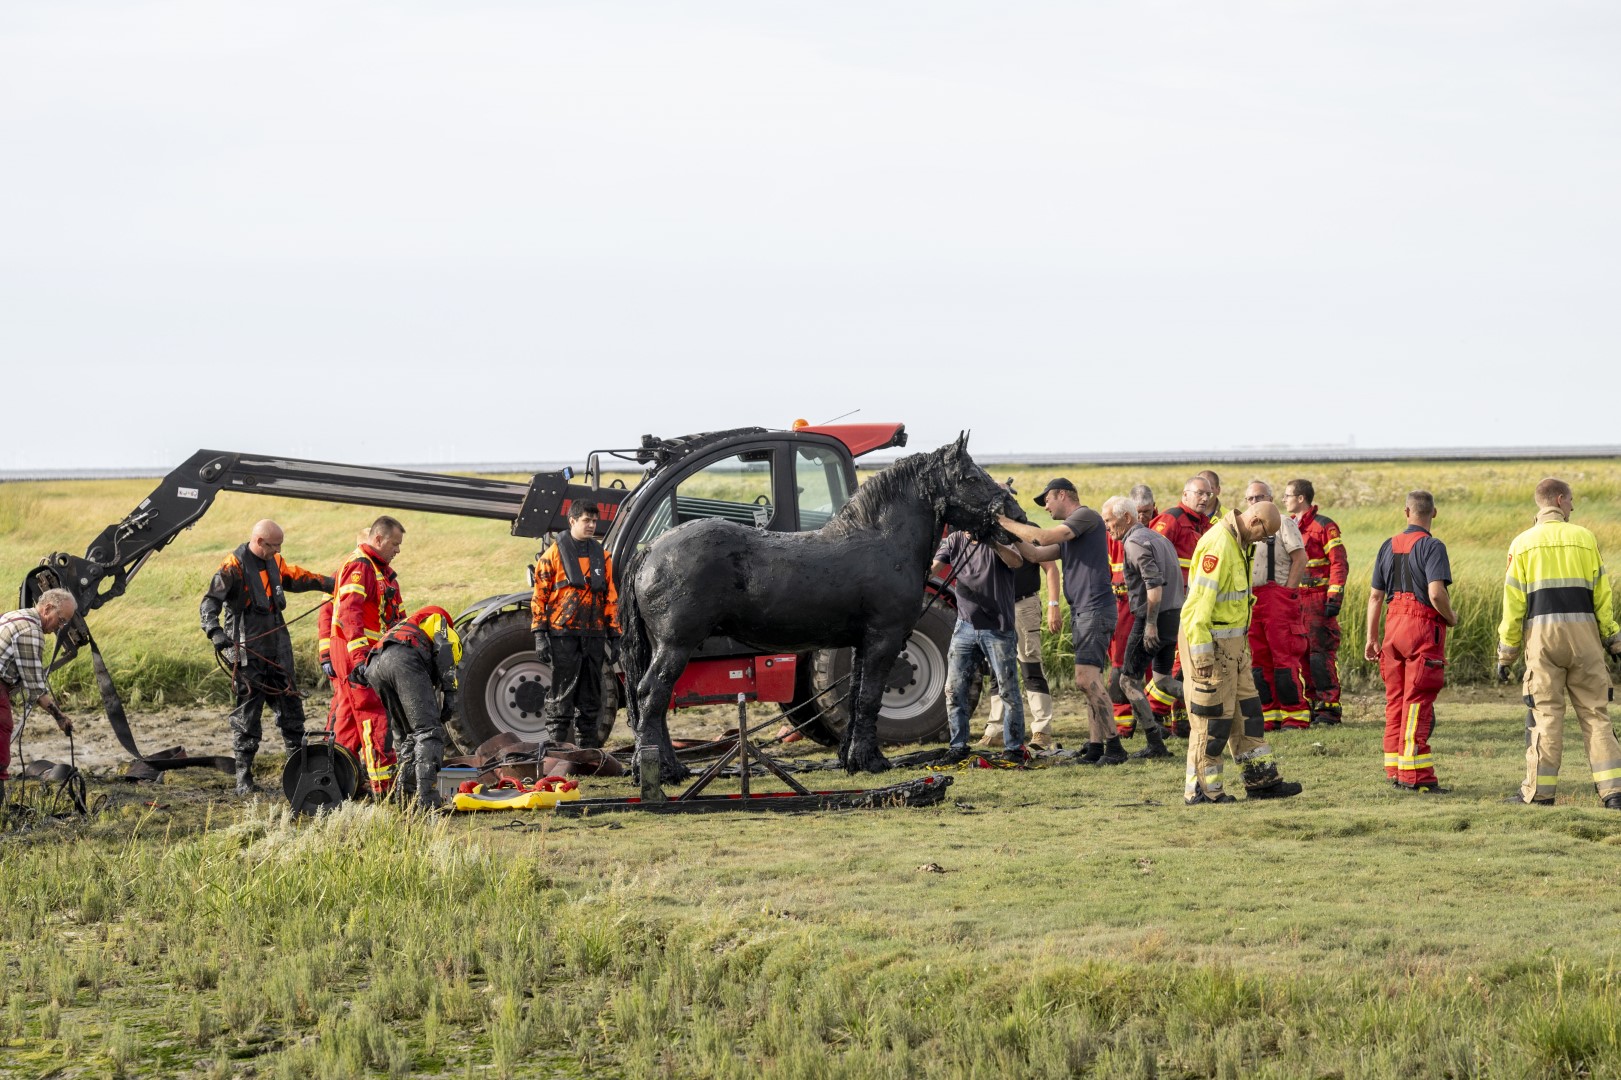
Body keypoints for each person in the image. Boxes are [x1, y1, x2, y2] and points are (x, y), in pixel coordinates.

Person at [1497, 478, 1621, 808]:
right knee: (1596, 716)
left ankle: (1540, 795)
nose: (1573, 507)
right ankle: (1614, 795)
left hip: (1542, 641)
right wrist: (1614, 640)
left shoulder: (1520, 544)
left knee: (1547, 717)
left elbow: (1513, 605)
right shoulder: (1585, 538)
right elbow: (1602, 596)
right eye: (1571, 502)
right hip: (1586, 640)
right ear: (1560, 499)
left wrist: (1506, 654)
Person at [1180, 500, 1304, 804]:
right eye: (1264, 536)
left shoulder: (1239, 543)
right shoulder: (1219, 545)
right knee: (1212, 723)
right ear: (1256, 522)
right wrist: (1203, 656)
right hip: (1211, 647)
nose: (1263, 542)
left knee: (1249, 715)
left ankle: (1262, 782)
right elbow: (1196, 609)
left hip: (1234, 650)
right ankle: (1202, 792)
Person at [200, 520, 334, 795]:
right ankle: (243, 779)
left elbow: (299, 578)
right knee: (247, 714)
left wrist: (333, 583)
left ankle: (298, 772)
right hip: (246, 647)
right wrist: (215, 633)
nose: (279, 550)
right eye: (275, 545)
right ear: (260, 542)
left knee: (292, 708)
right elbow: (209, 602)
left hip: (278, 642)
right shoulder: (232, 566)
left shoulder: (276, 562)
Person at [999, 478, 1124, 765]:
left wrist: (1005, 521)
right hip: (1084, 610)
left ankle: (1115, 747)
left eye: (1048, 499)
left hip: (1094, 609)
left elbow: (1042, 538)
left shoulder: (1085, 516)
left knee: (1085, 679)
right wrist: (998, 536)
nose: (1045, 505)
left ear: (1063, 494)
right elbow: (1034, 553)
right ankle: (1095, 747)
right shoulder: (1072, 535)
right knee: (1087, 680)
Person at [1365, 490, 1456, 793]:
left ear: (1406, 512)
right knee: (1417, 702)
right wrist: (1451, 617)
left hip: (1392, 629)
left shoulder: (1387, 546)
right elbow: (1435, 593)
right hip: (1421, 629)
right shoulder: (1433, 546)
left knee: (1395, 702)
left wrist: (1371, 637)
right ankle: (1416, 776)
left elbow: (1375, 596)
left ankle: (1394, 769)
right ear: (1434, 513)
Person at [932, 526, 1029, 763]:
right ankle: (958, 747)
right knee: (954, 689)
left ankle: (1014, 748)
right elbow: (934, 567)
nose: (968, 530)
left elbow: (1016, 561)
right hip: (965, 625)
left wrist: (991, 541)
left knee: (1008, 689)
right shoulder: (954, 540)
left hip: (997, 626)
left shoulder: (997, 537)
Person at [532, 500, 620, 748]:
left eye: (594, 521)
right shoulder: (551, 557)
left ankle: (588, 751)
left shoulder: (603, 557)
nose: (592, 525)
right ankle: (557, 750)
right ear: (572, 521)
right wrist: (540, 634)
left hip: (594, 635)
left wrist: (615, 635)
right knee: (562, 693)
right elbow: (539, 597)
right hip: (563, 635)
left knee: (592, 695)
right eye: (587, 520)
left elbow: (610, 596)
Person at [331, 516, 408, 794]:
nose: (397, 550)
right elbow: (350, 615)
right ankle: (382, 787)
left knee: (349, 722)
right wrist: (361, 659)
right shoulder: (361, 566)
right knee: (374, 716)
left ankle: (336, 780)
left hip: (361, 652)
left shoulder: (377, 569)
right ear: (378, 539)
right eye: (394, 544)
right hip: (357, 654)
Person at [982, 485, 1061, 751]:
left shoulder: (1030, 528)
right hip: (996, 607)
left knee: (1030, 665)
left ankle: (1041, 731)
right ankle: (994, 729)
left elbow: (1050, 569)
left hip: (1024, 604)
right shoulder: (989, 534)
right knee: (996, 670)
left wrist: (1053, 605)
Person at [1102, 496, 1180, 760]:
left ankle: (1155, 744)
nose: (1108, 528)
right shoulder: (1158, 538)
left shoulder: (1134, 542)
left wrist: (1149, 625)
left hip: (1152, 618)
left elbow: (1154, 585)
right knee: (1164, 680)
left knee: (1127, 680)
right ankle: (1214, 710)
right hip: (1174, 616)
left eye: (1109, 521)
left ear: (1126, 518)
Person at [365, 606, 461, 808]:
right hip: (403, 661)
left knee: (410, 735)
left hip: (374, 665)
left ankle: (405, 799)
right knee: (428, 732)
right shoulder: (440, 620)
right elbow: (445, 649)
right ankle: (427, 801)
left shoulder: (407, 625)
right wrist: (450, 692)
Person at [1147, 476, 1218, 735]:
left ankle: (1179, 720)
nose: (1203, 498)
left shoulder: (1206, 524)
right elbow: (1150, 554)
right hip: (1174, 602)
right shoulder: (1173, 519)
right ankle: (1153, 713)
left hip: (1195, 602)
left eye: (1207, 494)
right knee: (1176, 661)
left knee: (1188, 661)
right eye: (1199, 493)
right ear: (1185, 494)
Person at [1243, 482, 1310, 731]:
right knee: (1259, 663)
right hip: (1253, 600)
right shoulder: (1246, 528)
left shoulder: (1283, 522)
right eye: (1249, 498)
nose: (1253, 502)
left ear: (1271, 499)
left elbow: (1300, 558)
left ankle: (1296, 714)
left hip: (1278, 599)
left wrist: (1288, 592)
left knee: (1284, 659)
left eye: (1258, 497)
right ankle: (1269, 714)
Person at [1, 589, 77, 807]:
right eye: (60, 620)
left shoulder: (15, 615)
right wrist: (60, 717)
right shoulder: (31, 632)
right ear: (47, 609)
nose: (59, 628)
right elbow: (35, 689)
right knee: (2, 733)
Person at [1285, 479, 1350, 725]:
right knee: (1302, 654)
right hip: (1296, 600)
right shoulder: (1289, 526)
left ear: (1301, 498)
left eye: (1288, 495)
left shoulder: (1324, 525)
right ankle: (1312, 704)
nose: (1284, 500)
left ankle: (1329, 709)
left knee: (1320, 655)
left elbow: (1339, 563)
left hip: (1317, 599)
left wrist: (1334, 596)